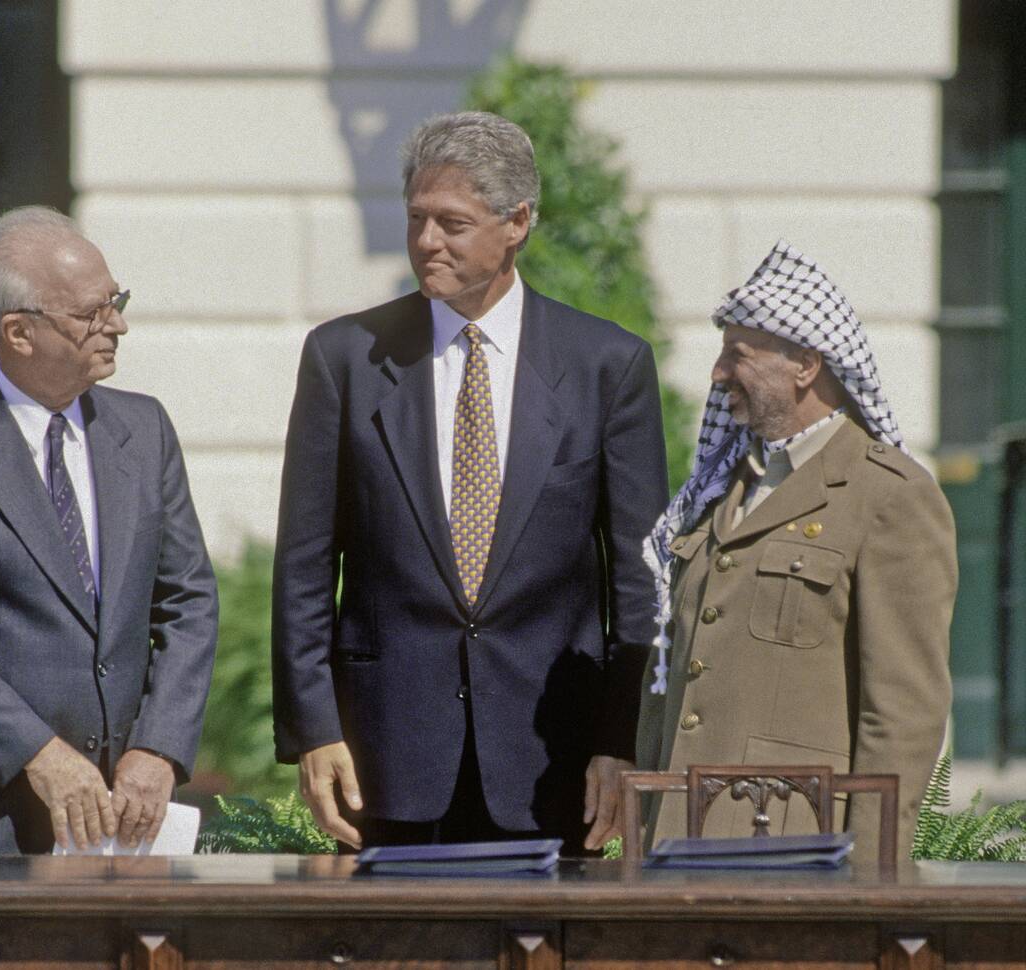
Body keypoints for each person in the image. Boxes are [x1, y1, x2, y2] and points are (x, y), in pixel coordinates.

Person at [272, 111, 668, 852]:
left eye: (452, 223)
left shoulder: (606, 366)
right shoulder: (344, 358)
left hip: (556, 760)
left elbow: (641, 582)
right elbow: (303, 563)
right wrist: (314, 730)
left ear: (516, 222)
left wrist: (622, 741)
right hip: (386, 757)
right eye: (417, 218)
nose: (426, 242)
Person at [0, 206, 219, 854]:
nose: (116, 323)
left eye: (115, 301)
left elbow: (188, 600)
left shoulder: (144, 431)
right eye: (91, 313)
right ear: (19, 332)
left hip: (125, 817)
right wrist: (40, 754)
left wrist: (159, 746)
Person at [637, 239, 956, 863]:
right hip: (676, 836)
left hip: (794, 849)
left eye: (738, 354)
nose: (717, 373)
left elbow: (902, 713)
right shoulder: (723, 486)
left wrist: (869, 870)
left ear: (805, 364)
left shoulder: (890, 496)